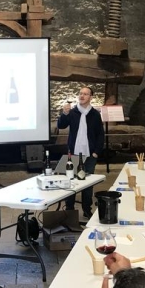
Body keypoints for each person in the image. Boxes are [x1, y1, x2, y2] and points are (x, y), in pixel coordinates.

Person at [57, 86, 104, 220]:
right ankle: (70, 209)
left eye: (85, 94)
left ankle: (87, 209)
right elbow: (61, 126)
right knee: (71, 181)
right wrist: (64, 114)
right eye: (80, 93)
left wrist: (96, 152)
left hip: (89, 154)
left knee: (87, 183)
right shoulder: (72, 112)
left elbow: (100, 134)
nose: (82, 96)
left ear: (90, 97)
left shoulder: (94, 114)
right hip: (74, 154)